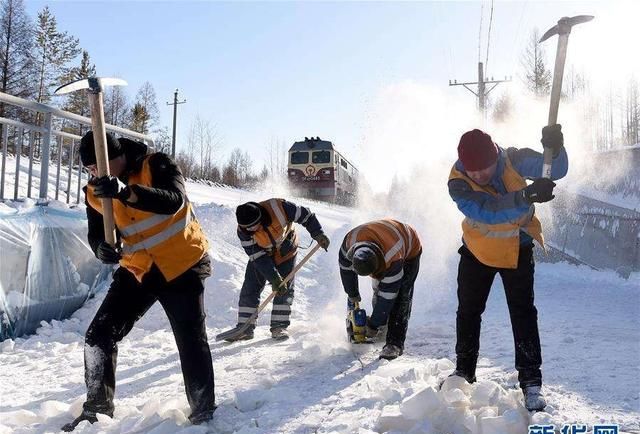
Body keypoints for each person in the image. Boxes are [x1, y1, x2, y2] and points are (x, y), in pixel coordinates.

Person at [62, 132, 215, 431]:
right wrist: (101, 248)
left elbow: (174, 201)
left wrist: (125, 192)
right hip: (139, 269)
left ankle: (203, 411)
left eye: (97, 166)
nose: (93, 174)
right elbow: (97, 233)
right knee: (98, 336)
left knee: (190, 339)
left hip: (182, 264)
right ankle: (97, 410)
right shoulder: (93, 191)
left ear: (116, 158)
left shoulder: (156, 164)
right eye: (89, 169)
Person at [446, 125, 567, 411]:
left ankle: (531, 380)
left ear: (495, 156)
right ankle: (464, 371)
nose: (479, 176)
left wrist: (556, 148)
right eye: (472, 171)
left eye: (484, 169)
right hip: (477, 250)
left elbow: (554, 169)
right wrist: (526, 197)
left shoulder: (513, 159)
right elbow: (487, 209)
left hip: (517, 247)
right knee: (468, 311)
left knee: (523, 313)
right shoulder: (457, 181)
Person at [226, 199, 330, 342]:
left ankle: (279, 326)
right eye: (247, 228)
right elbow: (257, 257)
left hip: (286, 249)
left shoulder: (279, 208)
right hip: (262, 254)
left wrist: (318, 233)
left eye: (253, 226)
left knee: (285, 289)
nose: (250, 230)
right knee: (250, 287)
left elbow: (307, 216)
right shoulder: (243, 231)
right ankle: (245, 328)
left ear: (260, 218)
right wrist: (274, 278)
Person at [338, 219, 422, 360]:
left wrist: (373, 324)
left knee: (401, 296)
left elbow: (388, 296)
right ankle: (383, 327)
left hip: (409, 247)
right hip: (383, 236)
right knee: (379, 287)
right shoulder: (348, 244)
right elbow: (346, 270)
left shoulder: (393, 257)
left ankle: (394, 344)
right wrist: (352, 294)